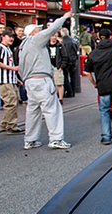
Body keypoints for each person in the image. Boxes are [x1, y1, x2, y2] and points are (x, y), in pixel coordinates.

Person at [19, 15, 73, 150]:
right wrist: (63, 17)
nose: (41, 32)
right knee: (52, 110)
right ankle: (56, 138)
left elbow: (20, 67)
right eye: (38, 30)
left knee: (33, 111)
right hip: (41, 80)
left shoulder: (22, 46)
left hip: (30, 81)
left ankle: (30, 140)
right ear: (33, 33)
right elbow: (51, 30)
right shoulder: (35, 40)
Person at [0, 28, 23, 134]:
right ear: (3, 37)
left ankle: (6, 124)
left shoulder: (8, 49)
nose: (11, 39)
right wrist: (13, 69)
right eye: (9, 36)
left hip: (10, 79)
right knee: (10, 102)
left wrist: (16, 78)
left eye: (12, 37)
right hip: (4, 80)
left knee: (13, 102)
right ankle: (11, 125)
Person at [48, 32, 67, 104]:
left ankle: (60, 98)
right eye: (52, 36)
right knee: (50, 83)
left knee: (59, 83)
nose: (54, 38)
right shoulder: (46, 46)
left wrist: (62, 66)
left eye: (55, 36)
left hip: (57, 66)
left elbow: (64, 56)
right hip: (49, 67)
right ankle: (51, 97)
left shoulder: (60, 46)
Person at [60, 28, 79, 98]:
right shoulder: (73, 40)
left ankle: (69, 91)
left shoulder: (63, 42)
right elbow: (76, 50)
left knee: (65, 77)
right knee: (73, 76)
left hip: (67, 61)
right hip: (73, 60)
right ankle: (73, 91)